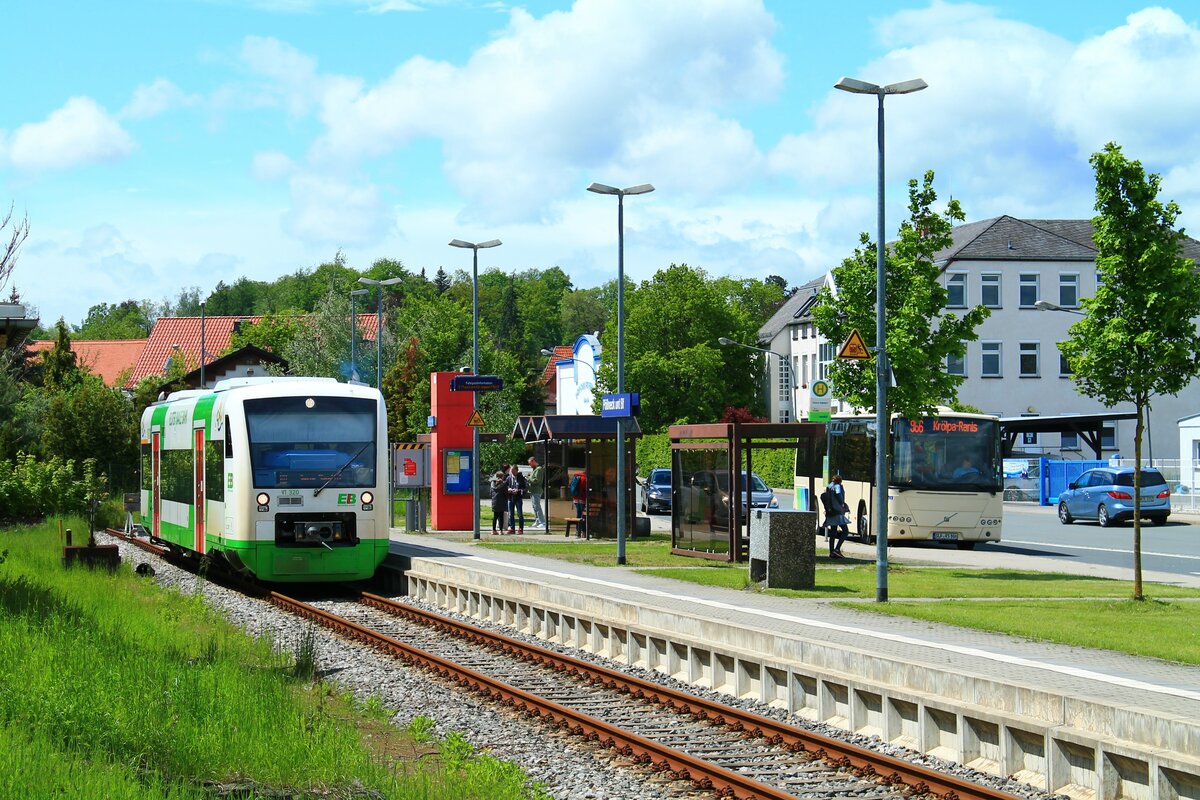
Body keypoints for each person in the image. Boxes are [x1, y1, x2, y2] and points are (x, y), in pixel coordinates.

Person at [821, 474, 850, 558]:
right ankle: (837, 549)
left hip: (830, 511)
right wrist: (842, 504)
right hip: (837, 512)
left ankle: (831, 552)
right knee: (845, 531)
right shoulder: (837, 486)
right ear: (840, 481)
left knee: (833, 532)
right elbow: (839, 497)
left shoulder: (829, 486)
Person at [507, 464, 527, 534]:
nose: (512, 473)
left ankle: (520, 528)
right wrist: (508, 489)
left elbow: (524, 488)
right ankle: (512, 528)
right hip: (510, 498)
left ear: (517, 471)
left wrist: (518, 491)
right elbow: (505, 486)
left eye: (514, 471)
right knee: (511, 514)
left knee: (520, 514)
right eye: (511, 471)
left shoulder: (521, 478)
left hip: (518, 498)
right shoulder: (508, 478)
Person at [527, 457, 546, 529]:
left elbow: (536, 480)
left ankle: (542, 522)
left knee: (537, 507)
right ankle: (537, 521)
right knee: (534, 507)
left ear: (533, 461)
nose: (530, 465)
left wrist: (528, 478)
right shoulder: (535, 469)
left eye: (530, 463)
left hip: (537, 491)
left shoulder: (539, 469)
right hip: (533, 491)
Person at [489, 470, 508, 534]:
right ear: (501, 477)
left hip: (494, 502)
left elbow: (490, 494)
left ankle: (493, 530)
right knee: (501, 517)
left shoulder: (492, 484)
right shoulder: (504, 485)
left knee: (495, 516)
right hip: (501, 502)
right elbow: (506, 494)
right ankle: (500, 530)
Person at [570, 470, 587, 534]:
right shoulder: (584, 478)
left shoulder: (576, 476)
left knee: (578, 514)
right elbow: (585, 489)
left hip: (575, 499)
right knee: (583, 515)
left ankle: (578, 530)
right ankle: (583, 531)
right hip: (582, 498)